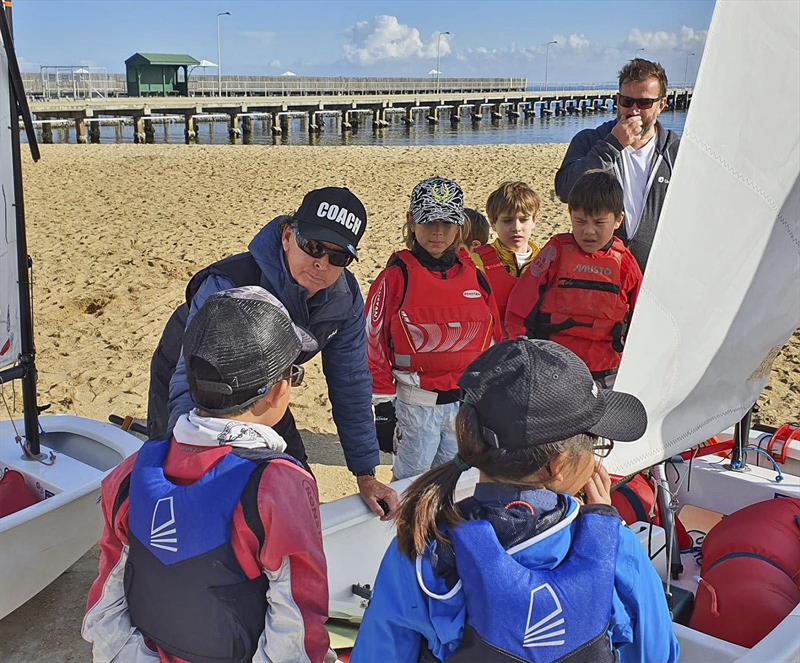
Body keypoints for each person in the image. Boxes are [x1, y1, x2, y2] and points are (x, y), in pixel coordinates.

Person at [351, 338, 680, 663]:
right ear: (558, 465)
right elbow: (658, 654)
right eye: (595, 446)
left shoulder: (425, 548)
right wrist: (603, 526)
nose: (596, 461)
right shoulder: (619, 550)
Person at [84, 287, 335, 663]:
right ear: (279, 390)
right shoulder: (279, 485)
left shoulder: (131, 472)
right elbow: (298, 624)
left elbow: (106, 604)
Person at [147, 186, 397, 518]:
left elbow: (350, 384)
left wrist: (366, 473)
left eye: (338, 257)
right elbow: (187, 377)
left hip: (267, 385)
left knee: (296, 480)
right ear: (287, 236)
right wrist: (187, 453)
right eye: (313, 247)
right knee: (187, 482)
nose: (321, 264)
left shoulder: (345, 298)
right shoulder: (227, 284)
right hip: (198, 375)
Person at [366, 176, 502, 480]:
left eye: (446, 222)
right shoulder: (395, 278)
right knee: (411, 483)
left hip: (463, 407)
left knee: (456, 482)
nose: (437, 232)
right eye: (428, 222)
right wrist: (384, 408)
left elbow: (494, 339)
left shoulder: (474, 277)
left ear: (460, 226)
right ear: (411, 221)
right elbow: (372, 343)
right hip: (416, 407)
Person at [506, 170, 642, 388]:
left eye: (599, 223)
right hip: (554, 364)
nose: (589, 231)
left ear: (618, 220)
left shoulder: (624, 262)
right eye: (580, 221)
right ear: (570, 215)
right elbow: (520, 305)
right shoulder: (555, 252)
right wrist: (520, 345)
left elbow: (643, 317)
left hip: (606, 370)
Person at [554, 58, 680, 271]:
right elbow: (565, 190)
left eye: (644, 103)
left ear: (662, 105)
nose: (633, 111)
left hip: (654, 275)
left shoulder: (675, 151)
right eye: (626, 101)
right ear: (617, 99)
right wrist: (613, 145)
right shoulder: (590, 140)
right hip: (598, 274)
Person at [471, 181, 541, 325]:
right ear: (493, 223)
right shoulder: (476, 262)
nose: (516, 227)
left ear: (535, 220)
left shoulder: (546, 262)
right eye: (507, 221)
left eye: (523, 219)